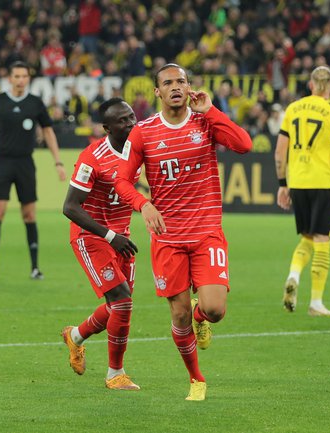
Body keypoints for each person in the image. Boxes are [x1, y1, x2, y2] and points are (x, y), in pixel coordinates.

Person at [114, 64, 252, 401]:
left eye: (181, 81)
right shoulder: (143, 132)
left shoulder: (205, 122)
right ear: (157, 92)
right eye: (168, 83)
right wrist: (143, 204)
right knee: (178, 314)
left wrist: (212, 110)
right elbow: (121, 179)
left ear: (190, 87)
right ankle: (196, 379)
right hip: (168, 238)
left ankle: (201, 314)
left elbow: (244, 145)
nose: (176, 87)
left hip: (206, 232)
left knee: (216, 310)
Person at [61, 98, 141, 391]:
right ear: (107, 128)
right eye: (122, 120)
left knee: (119, 306)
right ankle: (115, 374)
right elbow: (70, 207)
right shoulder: (92, 157)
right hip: (92, 237)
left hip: (122, 238)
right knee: (122, 301)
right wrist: (110, 236)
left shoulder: (139, 148)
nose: (130, 123)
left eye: (132, 117)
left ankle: (76, 336)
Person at [274, 66, 330, 317]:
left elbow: (279, 153)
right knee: (323, 239)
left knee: (308, 236)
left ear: (310, 84)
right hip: (322, 182)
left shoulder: (292, 109)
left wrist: (282, 184)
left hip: (298, 182)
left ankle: (293, 275)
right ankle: (316, 302)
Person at [0, 61, 67, 280]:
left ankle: (35, 267)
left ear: (28, 79)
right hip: (1, 162)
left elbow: (48, 132)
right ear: (10, 79)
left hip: (25, 162)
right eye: (16, 76)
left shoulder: (35, 103)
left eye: (24, 76)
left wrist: (58, 162)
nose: (20, 80)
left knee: (29, 215)